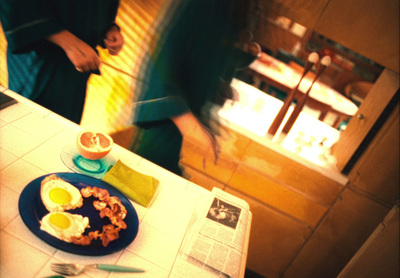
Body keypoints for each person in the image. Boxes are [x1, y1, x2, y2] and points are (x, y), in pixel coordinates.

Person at [130, 0, 256, 176]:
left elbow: (201, 56)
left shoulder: (232, 10)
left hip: (182, 108)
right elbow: (164, 61)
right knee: (143, 173)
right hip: (164, 117)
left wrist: (215, 85)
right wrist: (190, 125)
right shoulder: (202, 5)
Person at [0, 0, 124, 124]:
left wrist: (109, 27)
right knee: (26, 123)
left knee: (64, 124)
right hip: (39, 57)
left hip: (77, 67)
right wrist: (66, 41)